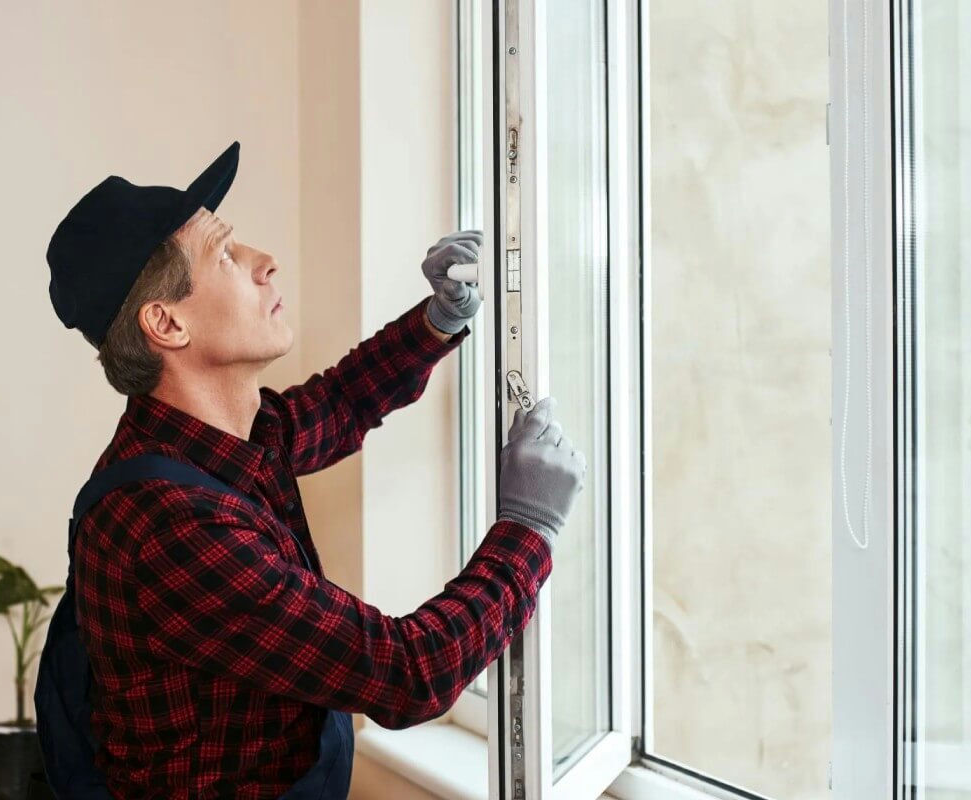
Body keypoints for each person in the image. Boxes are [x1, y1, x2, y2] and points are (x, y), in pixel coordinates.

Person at [43, 140, 587, 799]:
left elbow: (342, 401)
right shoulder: (171, 525)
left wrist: (441, 317)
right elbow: (407, 673)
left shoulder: (218, 438)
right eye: (224, 255)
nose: (266, 263)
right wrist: (528, 529)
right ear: (167, 323)